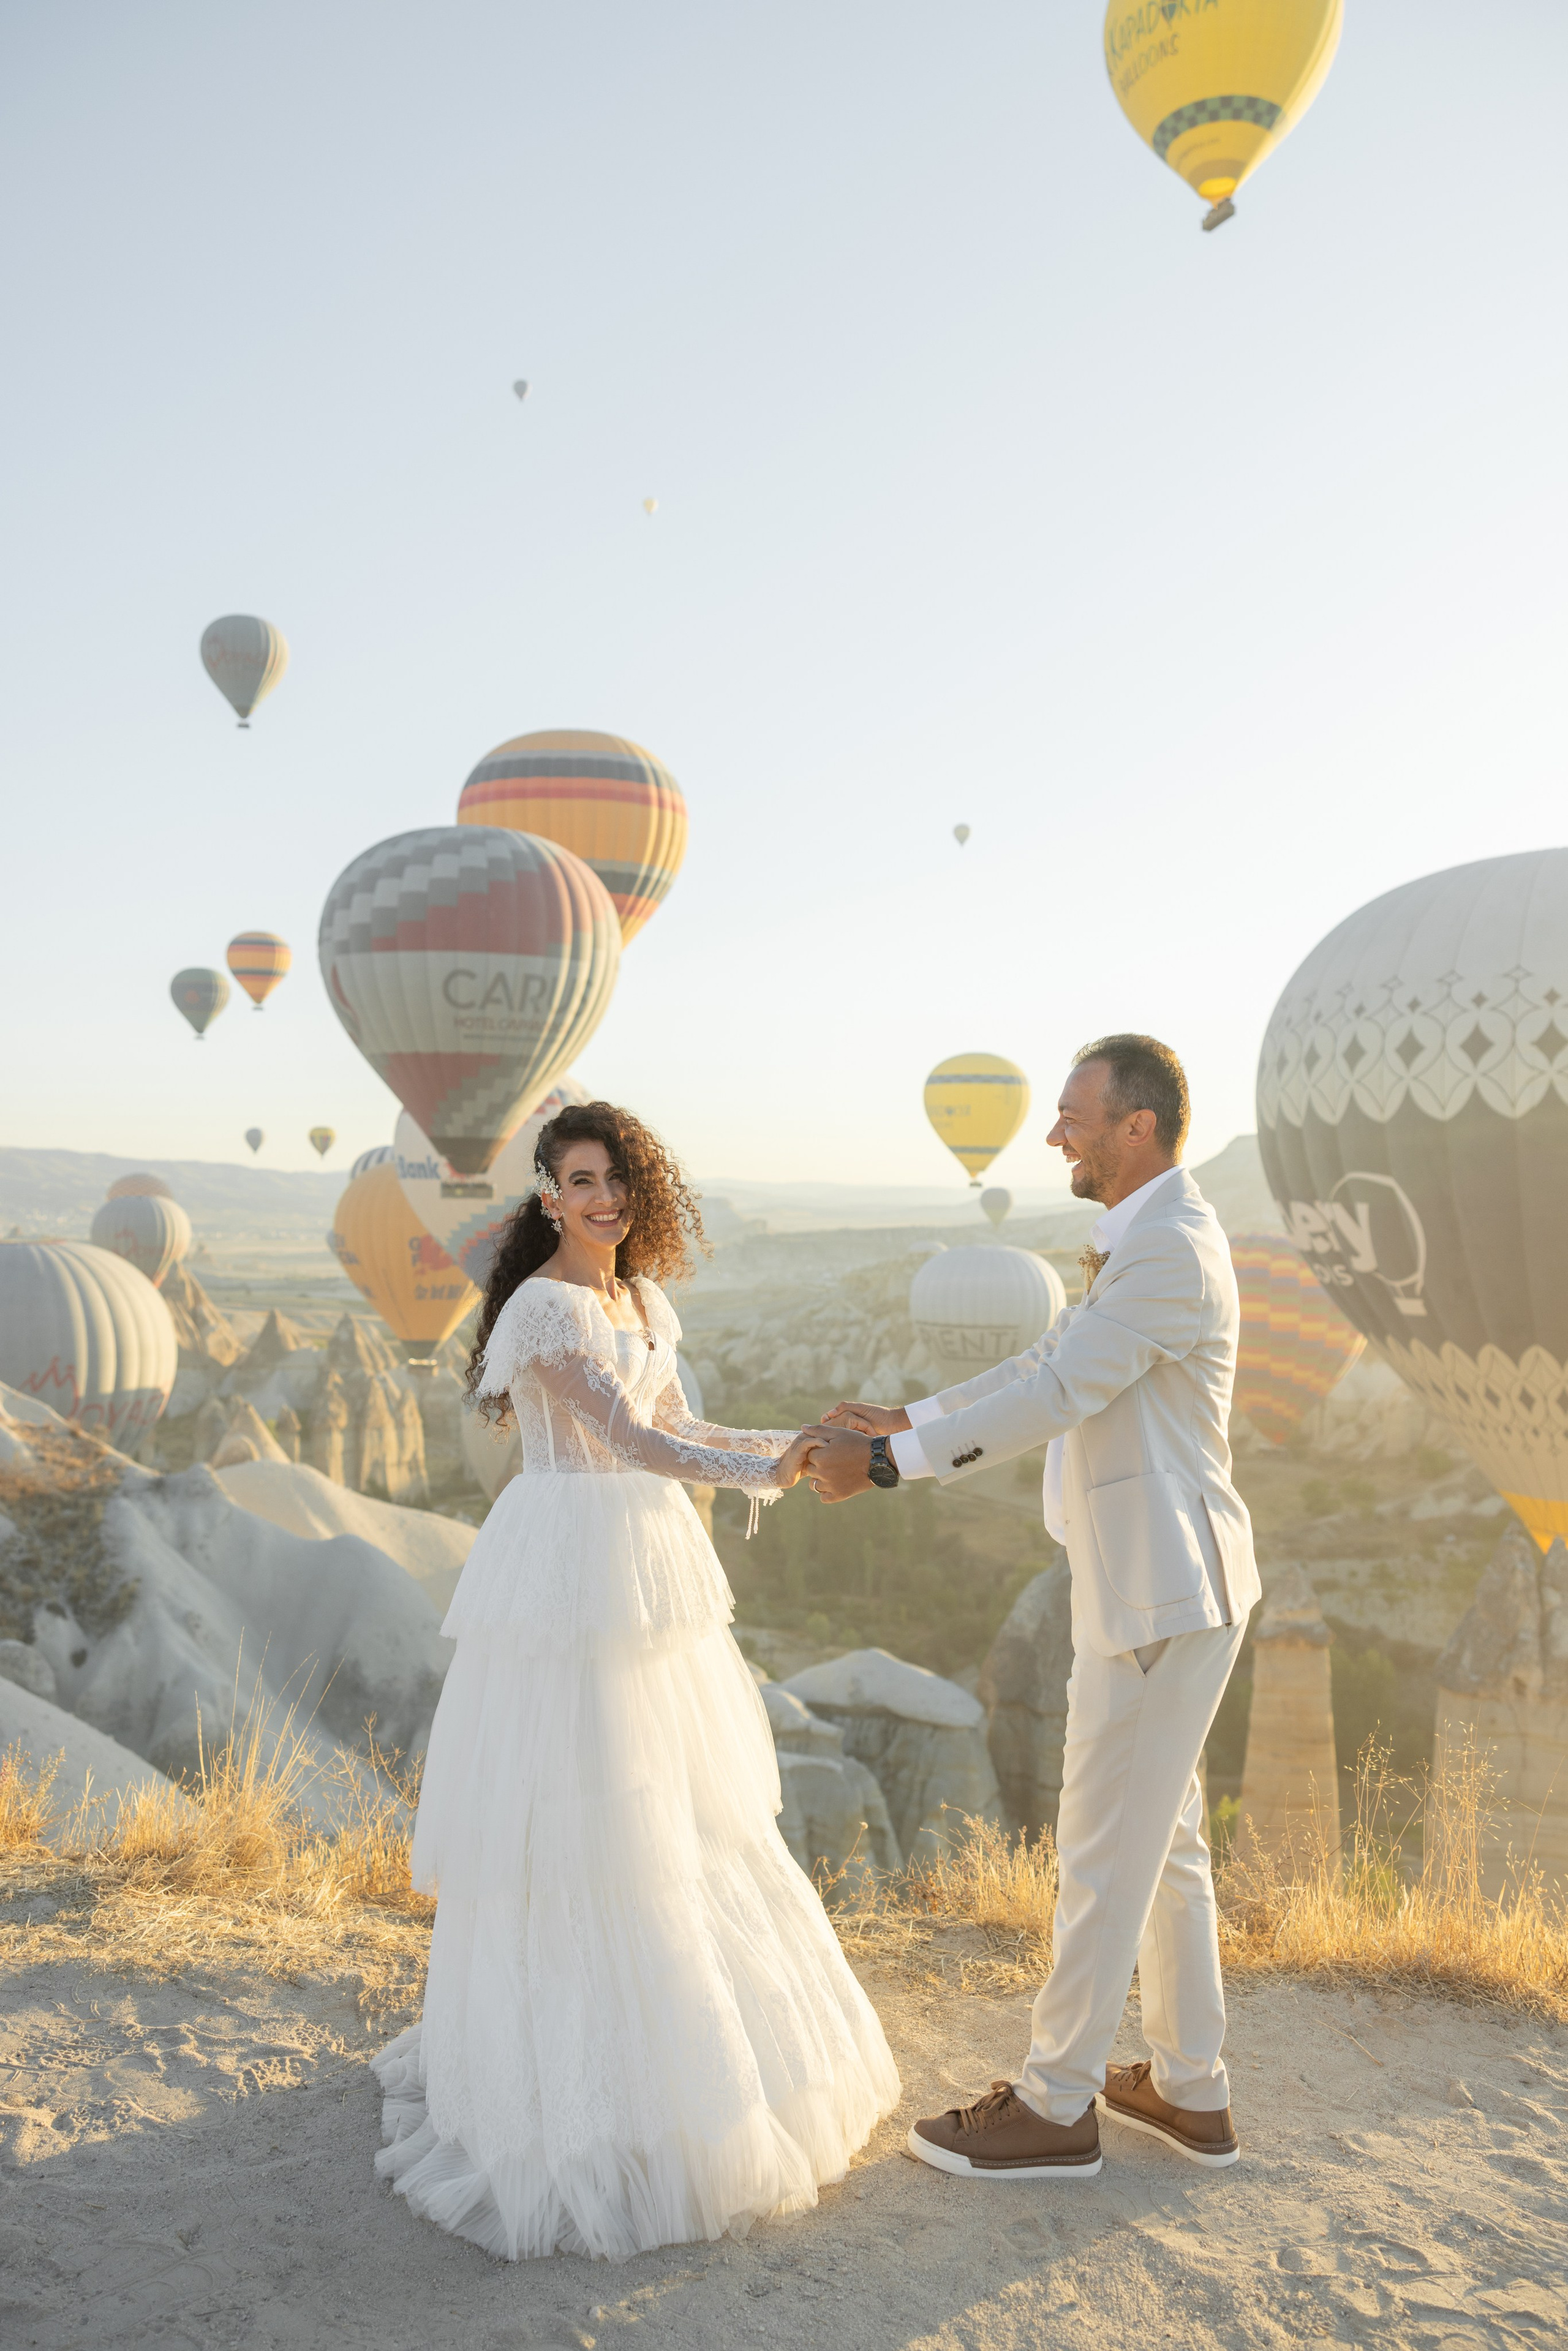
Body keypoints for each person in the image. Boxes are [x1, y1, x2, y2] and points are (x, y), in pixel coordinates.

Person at [372, 1101, 899, 2260]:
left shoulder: (642, 1299)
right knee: (583, 1809)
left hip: (646, 1562)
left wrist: (784, 1441)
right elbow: (636, 1442)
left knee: (673, 1806)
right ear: (547, 1196)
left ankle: (676, 2072)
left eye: (616, 1177)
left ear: (637, 1187)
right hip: (571, 1564)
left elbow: (676, 1416)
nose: (601, 1196)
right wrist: (780, 1465)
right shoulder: (544, 1305)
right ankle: (572, 2097)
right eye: (578, 1179)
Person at [805, 1035, 1257, 2181]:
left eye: (1072, 1115)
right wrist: (903, 1412)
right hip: (1158, 1583)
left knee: (1105, 1846)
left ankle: (1057, 2104)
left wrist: (893, 1466)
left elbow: (1054, 1393)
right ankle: (1190, 2087)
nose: (1053, 1134)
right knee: (1167, 1847)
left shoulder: (1169, 1253)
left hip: (1159, 1589)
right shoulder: (1148, 1241)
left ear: (1137, 1127)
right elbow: (1036, 1361)